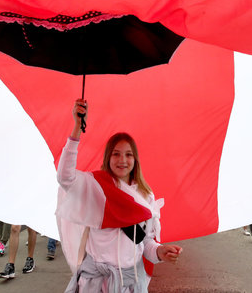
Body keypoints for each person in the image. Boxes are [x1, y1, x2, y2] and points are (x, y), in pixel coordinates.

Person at [56, 99, 182, 292]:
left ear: (135, 159)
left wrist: (159, 251)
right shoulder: (95, 187)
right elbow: (64, 177)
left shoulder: (145, 196)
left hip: (129, 285)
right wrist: (76, 129)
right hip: (94, 284)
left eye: (128, 154)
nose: (122, 160)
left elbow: (145, 243)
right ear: (108, 157)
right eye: (116, 154)